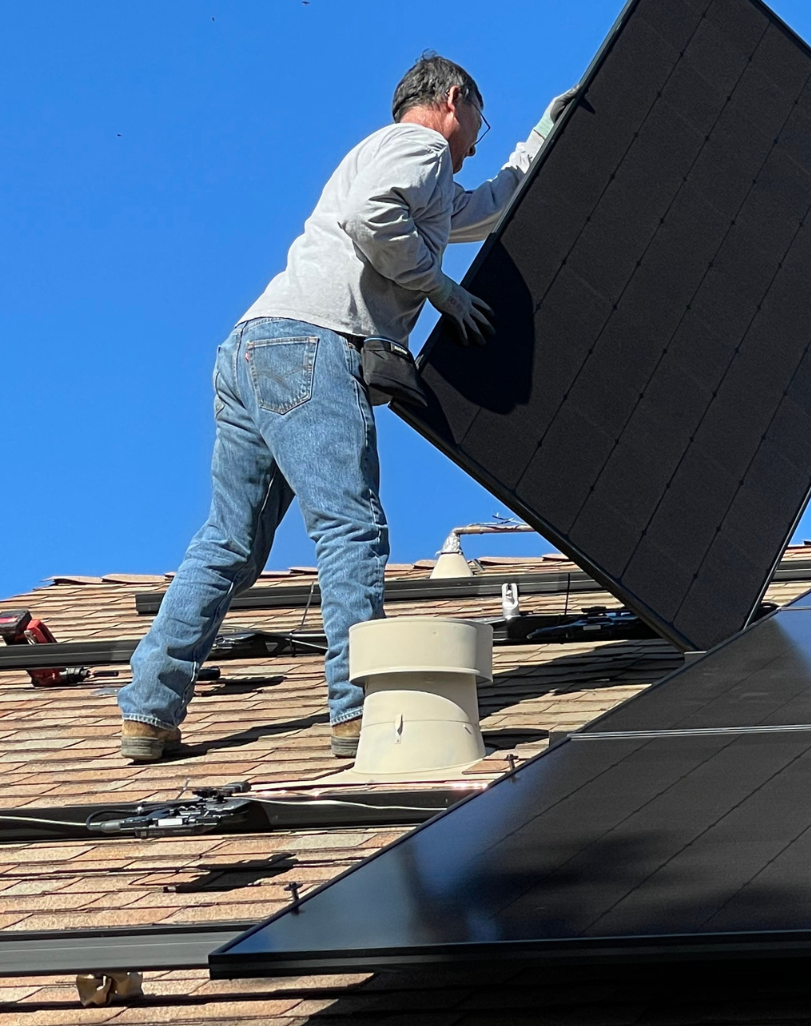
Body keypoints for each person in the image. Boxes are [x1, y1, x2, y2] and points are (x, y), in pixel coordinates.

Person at [117, 53, 575, 762]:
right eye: (482, 119)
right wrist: (441, 291)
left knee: (229, 544)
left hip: (251, 348)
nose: (481, 137)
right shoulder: (419, 147)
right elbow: (372, 219)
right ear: (455, 99)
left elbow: (481, 211)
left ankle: (148, 708)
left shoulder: (398, 161)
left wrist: (543, 136)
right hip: (312, 344)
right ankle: (359, 713)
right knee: (350, 526)